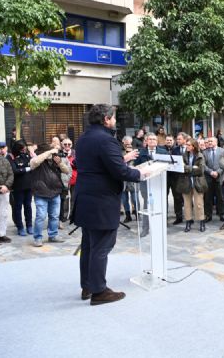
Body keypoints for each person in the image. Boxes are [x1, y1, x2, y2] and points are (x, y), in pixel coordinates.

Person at [74, 104, 149, 305]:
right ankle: (99, 292)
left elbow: (98, 165)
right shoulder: (106, 139)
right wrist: (141, 173)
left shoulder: (83, 138)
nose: (115, 121)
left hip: (86, 198)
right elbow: (120, 172)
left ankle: (87, 286)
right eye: (114, 117)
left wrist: (121, 160)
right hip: (101, 201)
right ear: (106, 119)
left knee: (89, 246)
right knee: (101, 246)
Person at [29, 143, 71, 247]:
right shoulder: (37, 159)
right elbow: (34, 162)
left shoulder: (54, 161)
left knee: (54, 216)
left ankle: (53, 235)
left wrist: (60, 163)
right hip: (41, 193)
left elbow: (66, 171)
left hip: (55, 192)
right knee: (41, 216)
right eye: (50, 152)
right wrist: (49, 152)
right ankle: (37, 238)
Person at [134, 133, 168, 237]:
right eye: (150, 139)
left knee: (160, 204)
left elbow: (167, 166)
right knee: (146, 205)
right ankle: (145, 228)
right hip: (146, 183)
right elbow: (136, 166)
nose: (152, 141)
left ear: (157, 141)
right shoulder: (141, 153)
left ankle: (159, 227)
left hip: (159, 182)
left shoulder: (163, 152)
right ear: (146, 141)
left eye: (154, 139)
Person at [176, 138, 206, 233]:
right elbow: (181, 167)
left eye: (189, 145)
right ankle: (188, 221)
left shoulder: (200, 155)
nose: (187, 146)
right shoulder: (183, 155)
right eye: (186, 145)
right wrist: (192, 168)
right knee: (187, 204)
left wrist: (188, 169)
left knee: (199, 204)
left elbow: (201, 170)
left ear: (193, 146)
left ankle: (201, 221)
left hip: (197, 183)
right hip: (186, 182)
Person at [7, 140, 33, 236]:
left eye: (25, 148)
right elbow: (14, 170)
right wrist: (26, 169)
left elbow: (32, 164)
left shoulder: (26, 155)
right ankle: (20, 227)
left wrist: (24, 168)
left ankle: (29, 225)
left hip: (28, 186)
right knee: (17, 207)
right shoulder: (10, 157)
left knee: (28, 206)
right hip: (17, 187)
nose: (24, 150)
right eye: (22, 149)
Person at [203, 137, 224, 223]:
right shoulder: (204, 152)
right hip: (208, 177)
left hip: (219, 177)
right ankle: (208, 215)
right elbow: (203, 165)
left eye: (211, 141)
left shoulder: (222, 151)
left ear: (216, 142)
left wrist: (218, 172)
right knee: (208, 197)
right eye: (208, 141)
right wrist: (211, 172)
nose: (209, 143)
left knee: (221, 197)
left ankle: (222, 214)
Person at [165, 134, 185, 225]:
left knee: (177, 197)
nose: (169, 142)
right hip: (165, 177)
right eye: (167, 140)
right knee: (164, 197)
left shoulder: (176, 149)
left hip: (176, 177)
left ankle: (179, 216)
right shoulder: (163, 150)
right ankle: (164, 216)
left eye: (170, 140)